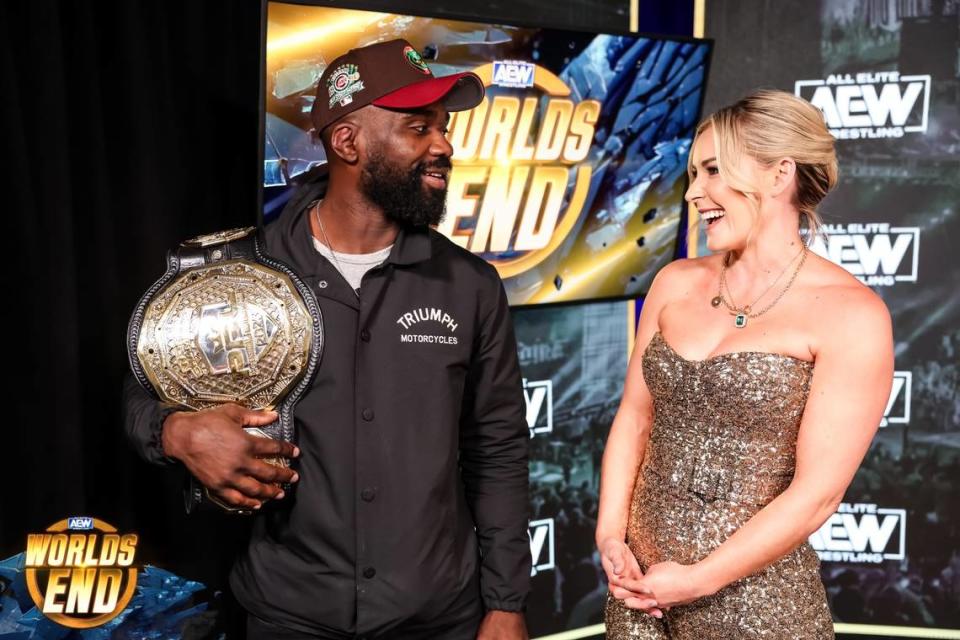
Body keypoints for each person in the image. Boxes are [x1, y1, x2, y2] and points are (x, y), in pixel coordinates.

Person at [123, 39, 531, 640]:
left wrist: (506, 604)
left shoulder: (470, 285)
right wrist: (177, 431)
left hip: (437, 619)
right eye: (419, 128)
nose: (444, 145)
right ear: (348, 142)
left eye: (442, 129)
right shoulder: (242, 272)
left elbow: (498, 452)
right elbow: (138, 395)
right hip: (288, 616)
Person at [595, 90, 894, 638]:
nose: (694, 193)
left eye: (712, 171)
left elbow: (816, 496)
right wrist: (611, 537)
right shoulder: (673, 282)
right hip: (639, 600)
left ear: (780, 175)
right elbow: (634, 419)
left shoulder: (853, 314)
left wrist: (698, 580)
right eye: (692, 174)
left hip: (758, 609)